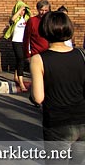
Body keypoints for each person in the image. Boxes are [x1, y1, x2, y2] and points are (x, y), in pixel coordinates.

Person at [30, 11, 85, 164]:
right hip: (82, 119)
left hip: (57, 123)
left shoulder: (38, 59)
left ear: (45, 30)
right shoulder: (81, 55)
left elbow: (38, 97)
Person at [6, 0, 31, 92]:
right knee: (21, 59)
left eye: (24, 10)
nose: (22, 12)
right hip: (16, 41)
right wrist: (19, 10)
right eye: (21, 10)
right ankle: (21, 82)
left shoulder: (27, 19)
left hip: (24, 42)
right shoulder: (15, 19)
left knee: (19, 59)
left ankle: (16, 76)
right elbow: (12, 19)